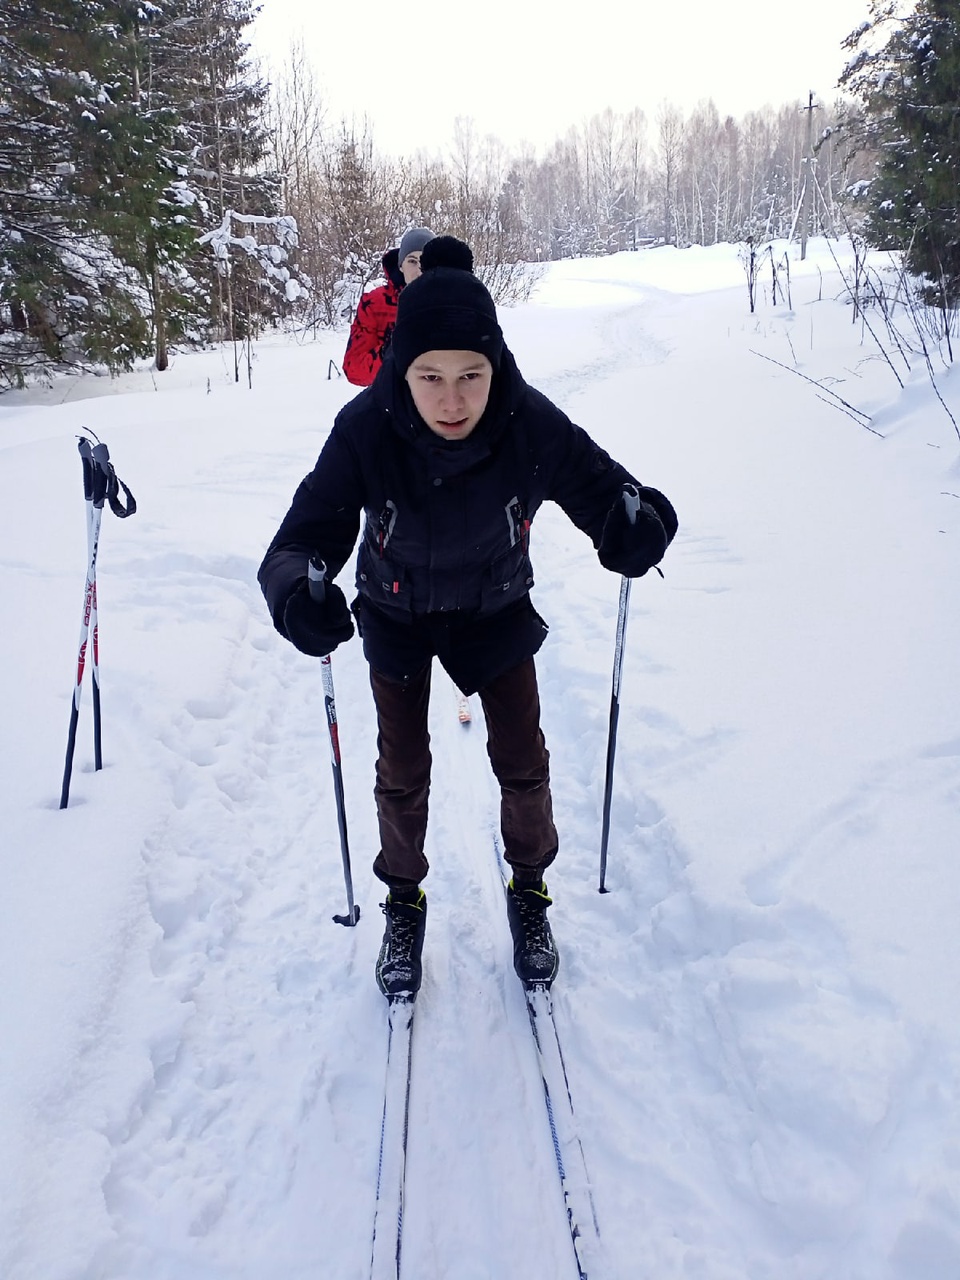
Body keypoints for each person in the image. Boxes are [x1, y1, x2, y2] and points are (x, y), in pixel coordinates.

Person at [259, 236, 677, 1001]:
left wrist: (635, 526)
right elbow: (300, 537)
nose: (452, 400)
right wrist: (297, 593)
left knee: (523, 761)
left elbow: (605, 489)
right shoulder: (365, 428)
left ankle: (530, 889)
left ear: (497, 369)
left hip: (493, 607)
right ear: (402, 371)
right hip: (395, 611)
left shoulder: (526, 421)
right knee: (402, 770)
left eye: (471, 377)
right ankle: (403, 900)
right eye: (429, 377)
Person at [342, 227, 435, 386]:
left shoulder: (455, 300)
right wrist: (393, 350)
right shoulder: (375, 303)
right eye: (412, 261)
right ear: (401, 265)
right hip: (390, 401)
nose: (420, 271)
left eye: (426, 262)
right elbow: (354, 369)